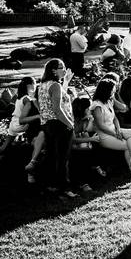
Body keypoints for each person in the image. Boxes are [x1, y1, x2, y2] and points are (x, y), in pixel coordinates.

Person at [89, 80, 131, 178]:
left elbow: (115, 118)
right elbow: (101, 125)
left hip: (113, 130)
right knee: (126, 145)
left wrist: (117, 128)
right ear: (106, 90)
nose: (114, 92)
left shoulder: (108, 101)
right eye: (112, 90)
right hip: (103, 135)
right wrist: (114, 134)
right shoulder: (97, 105)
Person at [0, 76, 41, 173]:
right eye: (34, 84)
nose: (35, 86)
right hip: (20, 124)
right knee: (35, 125)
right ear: (29, 85)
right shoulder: (27, 99)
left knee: (3, 147)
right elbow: (34, 110)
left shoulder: (20, 97)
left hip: (13, 123)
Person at [38, 59, 77, 197]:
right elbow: (57, 109)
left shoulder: (43, 85)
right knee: (63, 157)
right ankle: (65, 188)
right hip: (59, 124)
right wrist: (69, 123)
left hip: (47, 124)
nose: (64, 69)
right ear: (53, 70)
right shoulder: (55, 85)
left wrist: (66, 81)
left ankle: (49, 185)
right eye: (62, 67)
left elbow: (57, 100)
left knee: (51, 155)